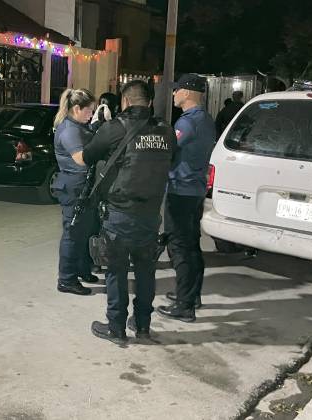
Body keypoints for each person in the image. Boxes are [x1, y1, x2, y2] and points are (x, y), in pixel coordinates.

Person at [74, 80, 176, 344]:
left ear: (126, 101)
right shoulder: (166, 131)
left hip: (119, 213)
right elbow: (173, 161)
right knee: (145, 272)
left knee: (116, 271)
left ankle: (116, 328)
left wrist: (97, 128)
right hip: (150, 215)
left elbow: (87, 157)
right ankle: (142, 327)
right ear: (150, 102)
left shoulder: (114, 128)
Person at [157, 74, 216, 323]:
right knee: (191, 244)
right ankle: (191, 295)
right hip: (195, 190)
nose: (174, 94)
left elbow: (168, 150)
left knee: (179, 246)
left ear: (188, 93)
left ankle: (184, 305)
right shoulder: (206, 119)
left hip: (181, 190)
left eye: (177, 89)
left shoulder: (188, 122)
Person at [51, 88, 99, 296]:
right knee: (72, 234)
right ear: (77, 108)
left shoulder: (79, 126)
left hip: (83, 186)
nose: (91, 114)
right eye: (89, 110)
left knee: (84, 231)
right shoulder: (69, 130)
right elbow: (80, 159)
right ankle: (66, 279)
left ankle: (82, 269)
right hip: (74, 186)